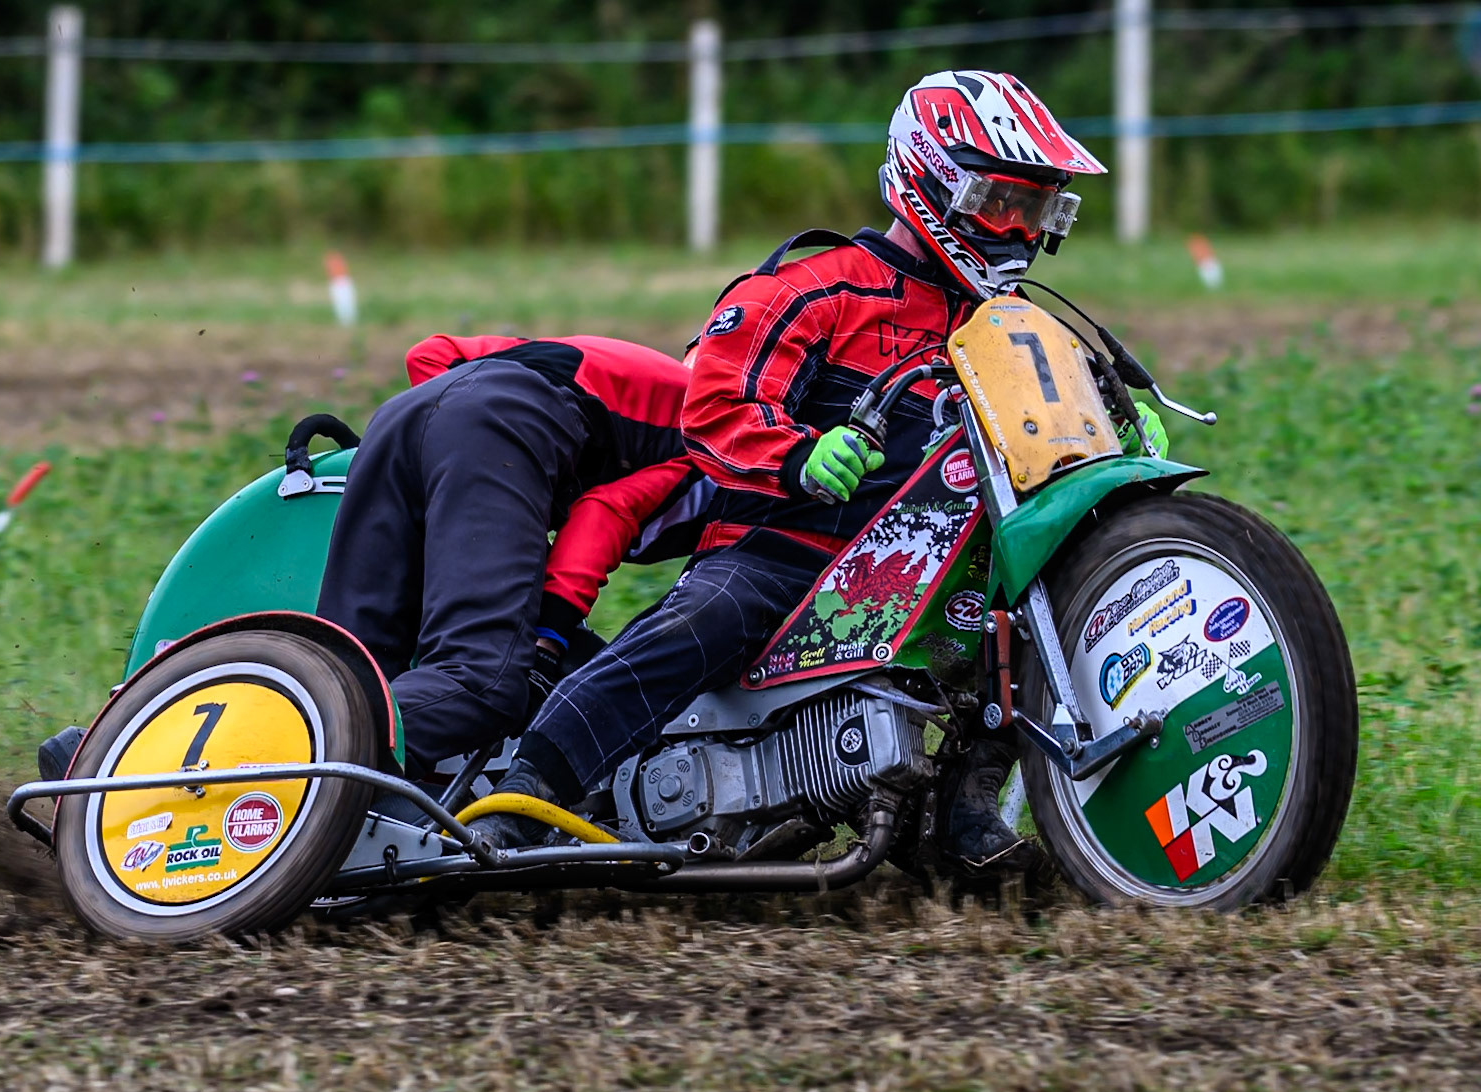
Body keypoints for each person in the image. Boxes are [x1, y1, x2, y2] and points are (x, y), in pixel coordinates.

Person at [473, 70, 1166, 863]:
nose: (1016, 229)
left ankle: (962, 814)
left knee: (1012, 623)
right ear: (933, 183)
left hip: (929, 570)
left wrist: (1115, 425)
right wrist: (801, 451)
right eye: (1001, 203)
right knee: (708, 619)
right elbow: (714, 400)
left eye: (1036, 209)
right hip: (784, 550)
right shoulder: (818, 285)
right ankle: (521, 791)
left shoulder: (1006, 325)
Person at [316, 333, 706, 781]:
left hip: (400, 421)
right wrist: (547, 639)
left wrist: (443, 467)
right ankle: (312, 760)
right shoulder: (714, 427)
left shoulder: (612, 359)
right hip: (497, 426)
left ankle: (282, 765)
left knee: (351, 668)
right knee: (482, 682)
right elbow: (603, 516)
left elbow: (428, 353)